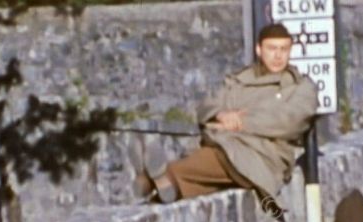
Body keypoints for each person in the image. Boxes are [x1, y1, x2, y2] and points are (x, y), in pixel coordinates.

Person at [136, 23, 318, 212]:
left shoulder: (301, 88)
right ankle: (167, 187)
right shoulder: (239, 81)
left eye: (284, 49)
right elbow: (208, 104)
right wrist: (221, 115)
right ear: (259, 49)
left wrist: (240, 124)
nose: (278, 55)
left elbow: (289, 121)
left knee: (220, 155)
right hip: (225, 142)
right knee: (213, 157)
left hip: (265, 154)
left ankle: (155, 179)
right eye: (272, 49)